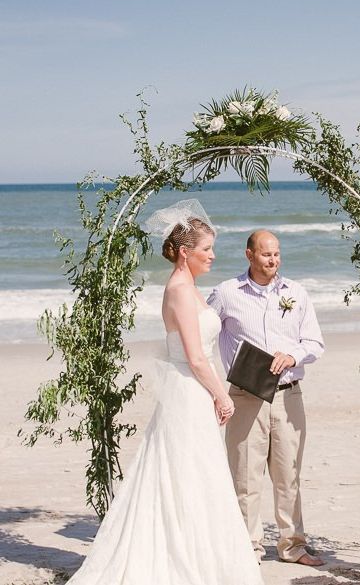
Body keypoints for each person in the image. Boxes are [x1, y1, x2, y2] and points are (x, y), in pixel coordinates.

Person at [67, 199, 264, 585]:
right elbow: (194, 356)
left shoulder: (190, 286)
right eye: (206, 249)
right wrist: (221, 396)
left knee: (197, 474)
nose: (212, 256)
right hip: (189, 392)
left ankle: (201, 554)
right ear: (186, 252)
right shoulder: (178, 289)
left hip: (193, 391)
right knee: (187, 473)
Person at [207, 230, 324, 566]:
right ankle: (248, 547)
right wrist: (212, 384)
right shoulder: (226, 294)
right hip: (245, 397)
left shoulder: (296, 293)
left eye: (277, 254)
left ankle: (293, 546)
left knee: (289, 475)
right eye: (265, 254)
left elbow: (315, 343)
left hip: (289, 397)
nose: (273, 260)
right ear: (249, 255)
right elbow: (200, 331)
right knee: (245, 477)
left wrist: (292, 355)